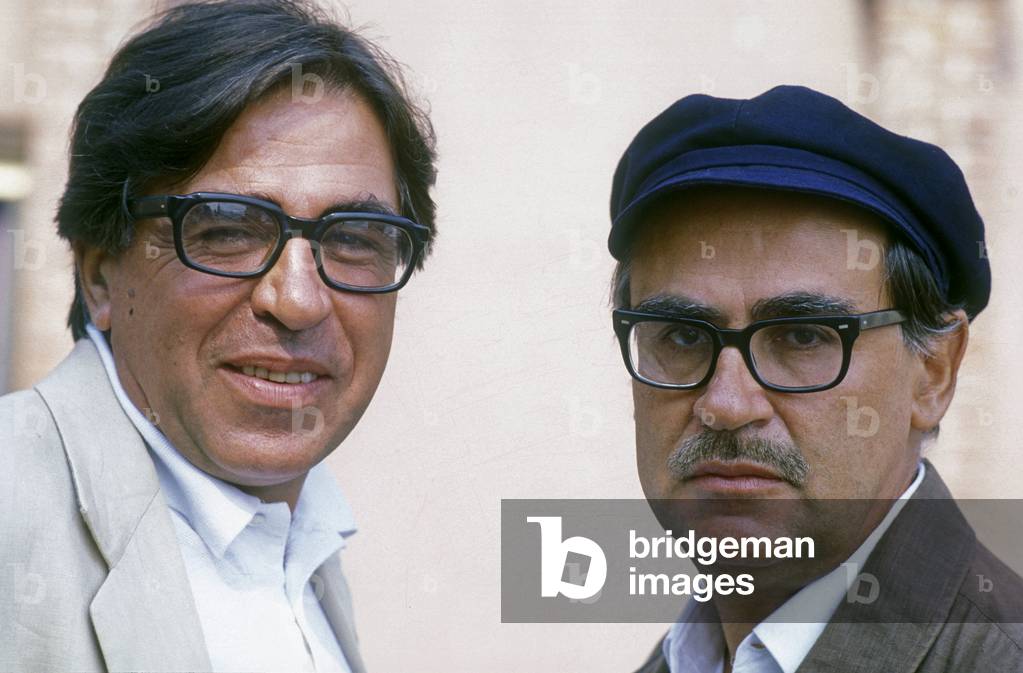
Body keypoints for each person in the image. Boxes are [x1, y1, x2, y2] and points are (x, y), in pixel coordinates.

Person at [0, 1, 436, 671]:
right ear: (100, 275)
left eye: (352, 238)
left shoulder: (300, 545)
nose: (296, 299)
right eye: (228, 229)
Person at [608, 86, 1023, 673]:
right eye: (681, 336)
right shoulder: (690, 657)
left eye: (803, 337)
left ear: (933, 372)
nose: (726, 404)